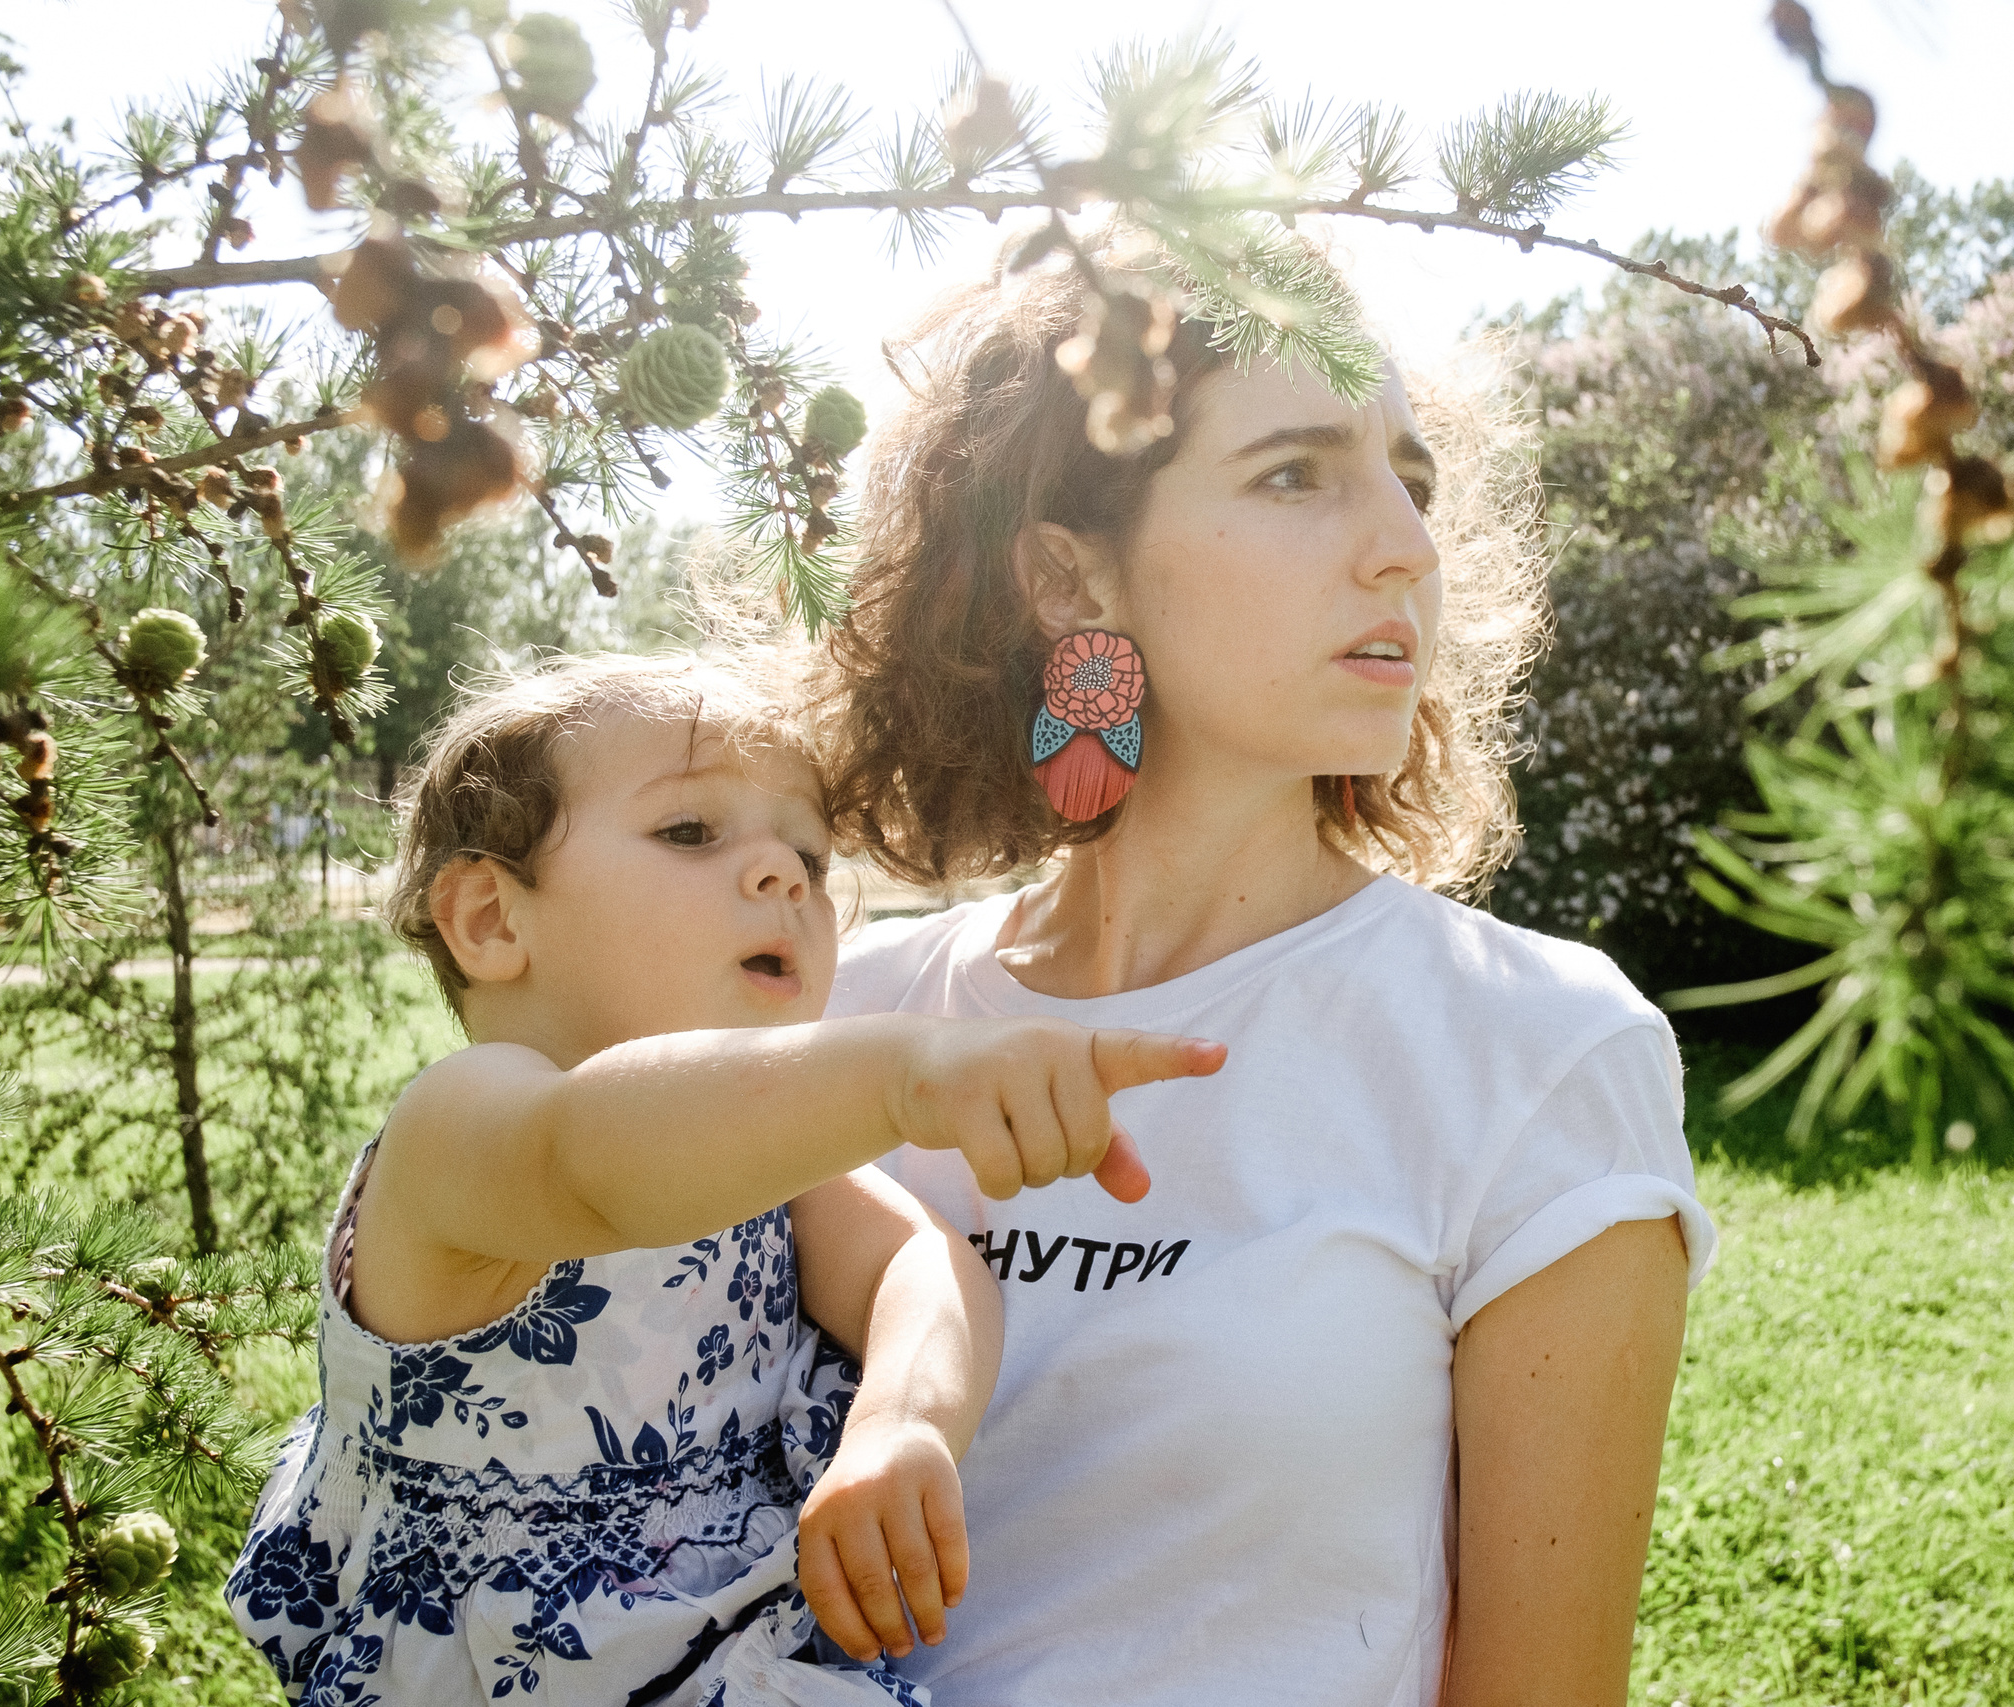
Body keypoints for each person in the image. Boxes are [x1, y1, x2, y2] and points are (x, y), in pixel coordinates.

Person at [818, 240, 1720, 1707]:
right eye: (1298, 474)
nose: (1409, 549)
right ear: (1069, 572)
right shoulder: (848, 1017)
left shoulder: (1536, 1051)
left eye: (1411, 480)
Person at [226, 652, 1223, 1706]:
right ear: (490, 918)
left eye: (808, 854)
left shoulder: (771, 1164)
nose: (785, 877)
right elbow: (598, 1162)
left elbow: (919, 1262)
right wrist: (899, 1075)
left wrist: (902, 1420)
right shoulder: (464, 1126)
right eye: (691, 833)